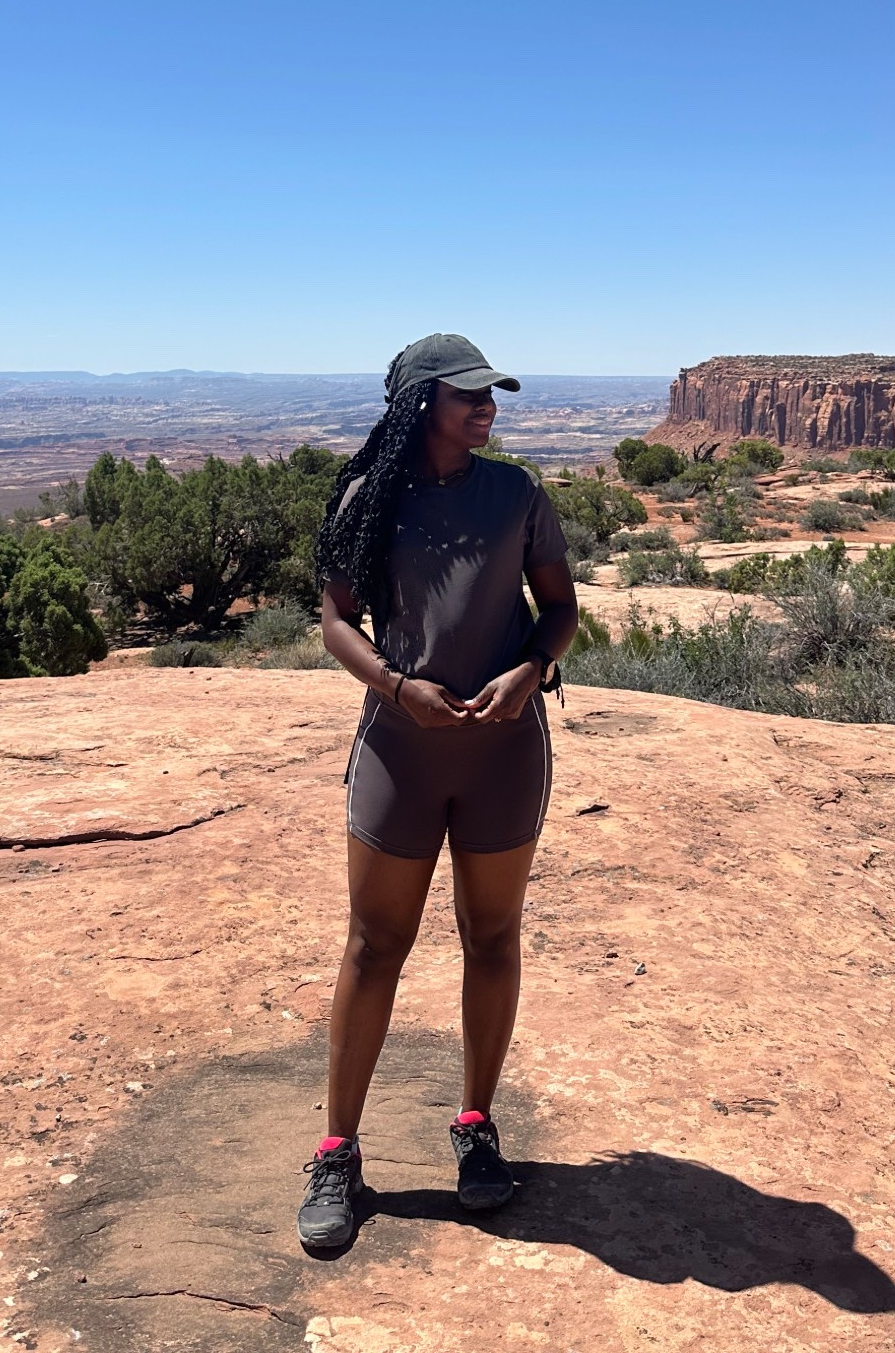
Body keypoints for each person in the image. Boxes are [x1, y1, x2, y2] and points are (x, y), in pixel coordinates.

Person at [296, 333, 580, 1252]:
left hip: (502, 748)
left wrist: (533, 670)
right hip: (401, 748)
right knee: (376, 944)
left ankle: (475, 1128)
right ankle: (338, 1150)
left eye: (491, 393)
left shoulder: (519, 494)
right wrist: (393, 687)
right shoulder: (368, 498)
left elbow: (560, 609)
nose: (486, 407)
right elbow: (335, 621)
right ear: (421, 404)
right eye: (467, 395)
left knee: (492, 938)